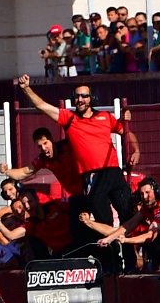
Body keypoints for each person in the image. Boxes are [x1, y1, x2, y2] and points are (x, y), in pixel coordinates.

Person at [16, 77, 139, 229]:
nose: (80, 99)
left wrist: (136, 150)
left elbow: (125, 132)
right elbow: (41, 106)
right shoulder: (70, 119)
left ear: (92, 98)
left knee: (128, 213)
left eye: (84, 96)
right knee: (103, 219)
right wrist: (26, 88)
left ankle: (129, 252)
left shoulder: (106, 117)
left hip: (113, 171)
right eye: (77, 97)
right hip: (92, 175)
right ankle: (110, 251)